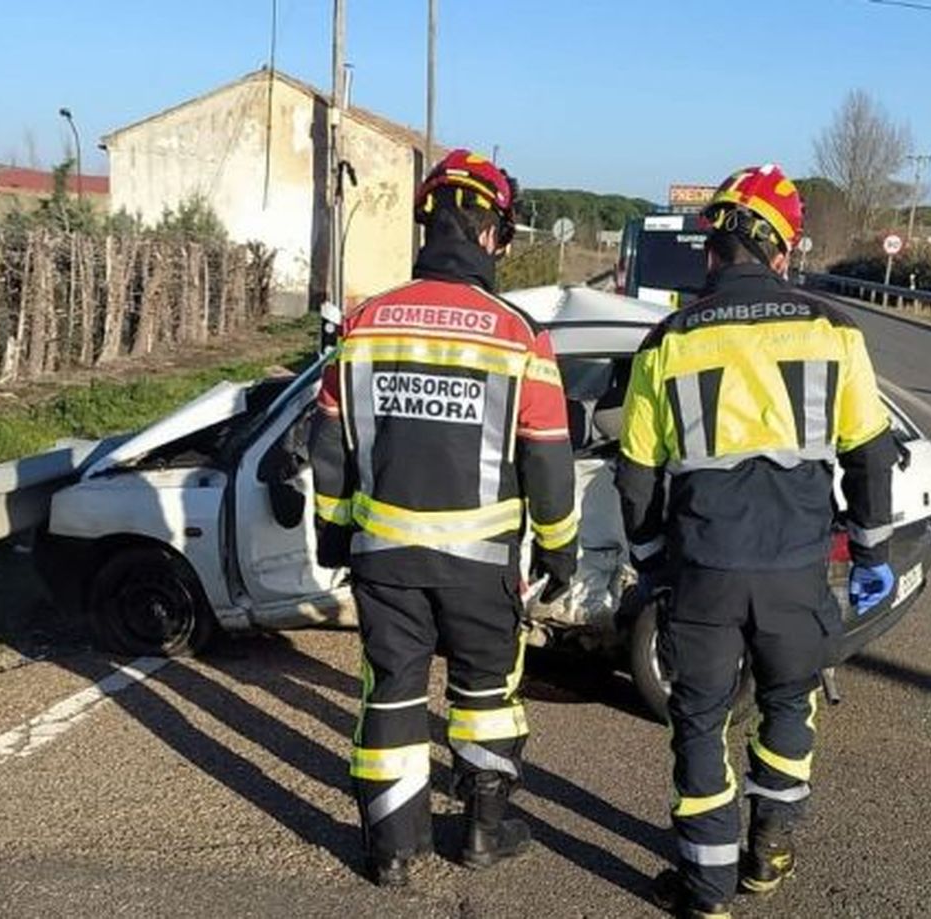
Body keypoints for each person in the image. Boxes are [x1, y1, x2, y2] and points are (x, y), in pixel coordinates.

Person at [616, 164, 898, 917]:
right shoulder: (832, 330)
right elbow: (869, 453)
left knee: (700, 721)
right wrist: (871, 552)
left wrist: (650, 561)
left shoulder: (668, 340)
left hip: (703, 571)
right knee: (788, 705)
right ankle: (769, 850)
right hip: (797, 570)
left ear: (713, 247)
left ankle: (706, 890)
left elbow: (635, 475)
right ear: (783, 250)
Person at [310, 149, 579, 888]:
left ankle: (394, 851)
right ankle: (483, 833)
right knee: (485, 697)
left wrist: (333, 532)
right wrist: (560, 551)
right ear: (493, 234)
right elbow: (549, 458)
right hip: (481, 566)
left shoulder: (364, 324)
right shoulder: (519, 335)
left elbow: (328, 445)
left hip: (384, 559)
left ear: (427, 225)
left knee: (392, 693)